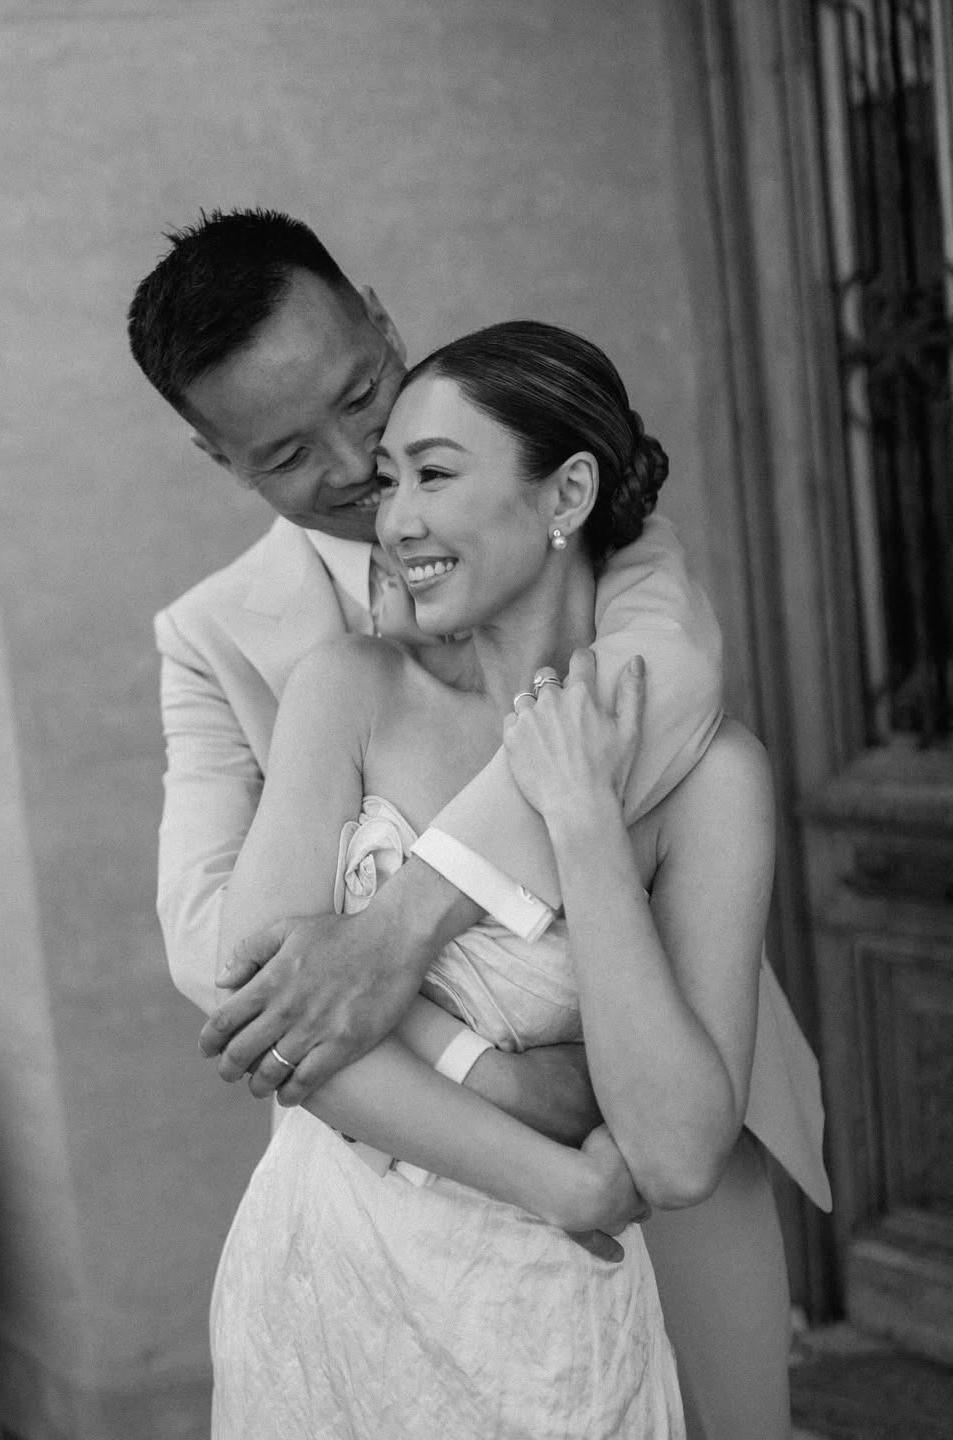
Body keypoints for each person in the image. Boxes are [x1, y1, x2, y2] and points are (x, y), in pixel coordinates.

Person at [127, 210, 831, 1439]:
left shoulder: (595, 525)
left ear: (382, 323)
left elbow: (656, 693)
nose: (360, 466)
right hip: (406, 1152)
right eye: (289, 453)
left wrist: (403, 920)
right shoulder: (231, 642)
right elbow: (223, 954)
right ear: (218, 458)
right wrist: (496, 1079)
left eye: (364, 398)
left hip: (668, 1105)